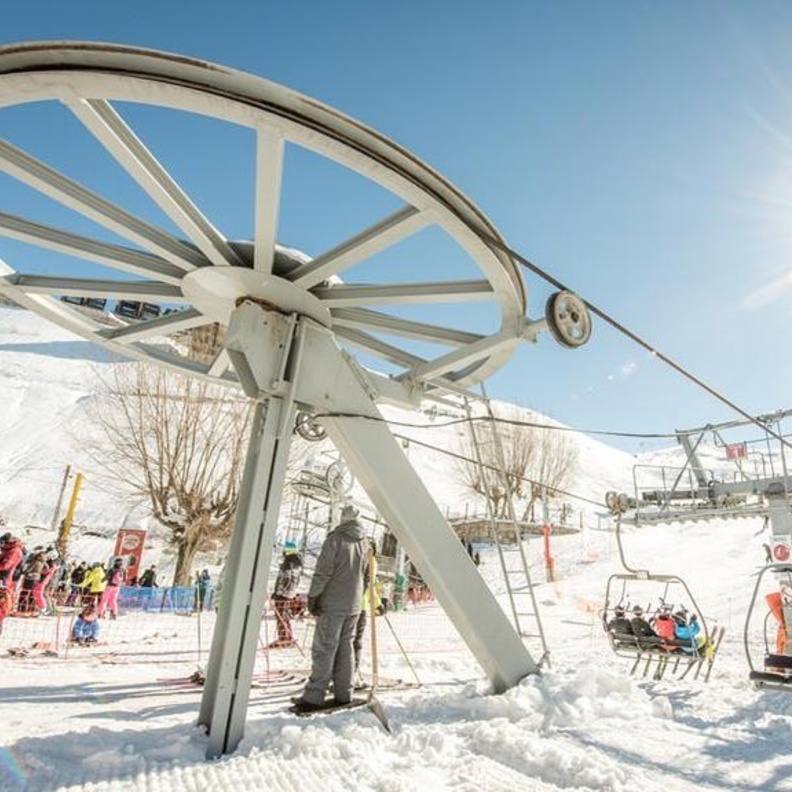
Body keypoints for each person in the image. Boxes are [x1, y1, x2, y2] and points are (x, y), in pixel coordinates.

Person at [293, 504, 367, 712]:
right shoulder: (364, 542)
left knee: (325, 648)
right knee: (346, 647)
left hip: (333, 603)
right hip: (354, 605)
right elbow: (366, 574)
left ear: (342, 518)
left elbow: (323, 572)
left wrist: (314, 596)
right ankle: (344, 693)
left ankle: (314, 695)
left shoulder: (335, 539)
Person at [352, 540, 380, 686]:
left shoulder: (352, 556)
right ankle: (352, 674)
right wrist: (377, 604)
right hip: (359, 606)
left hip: (345, 604)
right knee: (355, 642)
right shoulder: (371, 561)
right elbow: (370, 584)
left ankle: (342, 674)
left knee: (344, 641)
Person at [269, 541, 303, 648]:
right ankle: (287, 636)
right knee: (284, 617)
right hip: (290, 595)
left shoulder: (288, 564)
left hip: (283, 595)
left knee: (281, 617)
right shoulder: (297, 564)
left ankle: (284, 638)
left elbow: (284, 579)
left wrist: (277, 593)